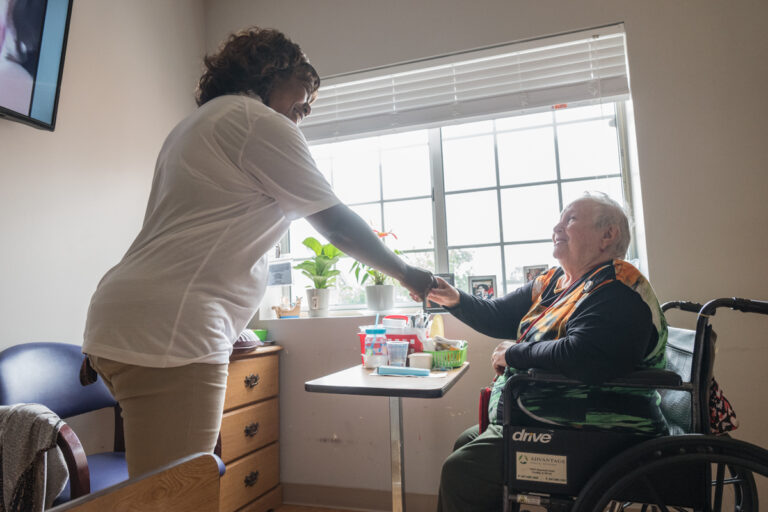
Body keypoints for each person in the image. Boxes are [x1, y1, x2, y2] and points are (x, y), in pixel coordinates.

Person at [82, 27, 434, 478]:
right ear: (269, 71)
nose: (304, 111)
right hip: (173, 335)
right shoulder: (256, 121)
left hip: (120, 323)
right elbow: (335, 222)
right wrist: (407, 274)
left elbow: (202, 236)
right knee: (180, 497)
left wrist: (232, 329)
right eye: (303, 94)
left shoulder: (197, 125)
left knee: (150, 491)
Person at [426, 192, 668, 512]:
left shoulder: (617, 288)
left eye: (569, 219)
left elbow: (585, 356)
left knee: (463, 469)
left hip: (596, 431)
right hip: (544, 420)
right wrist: (452, 298)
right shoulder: (556, 283)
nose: (556, 227)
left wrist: (515, 354)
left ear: (607, 235)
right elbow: (497, 314)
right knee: (466, 445)